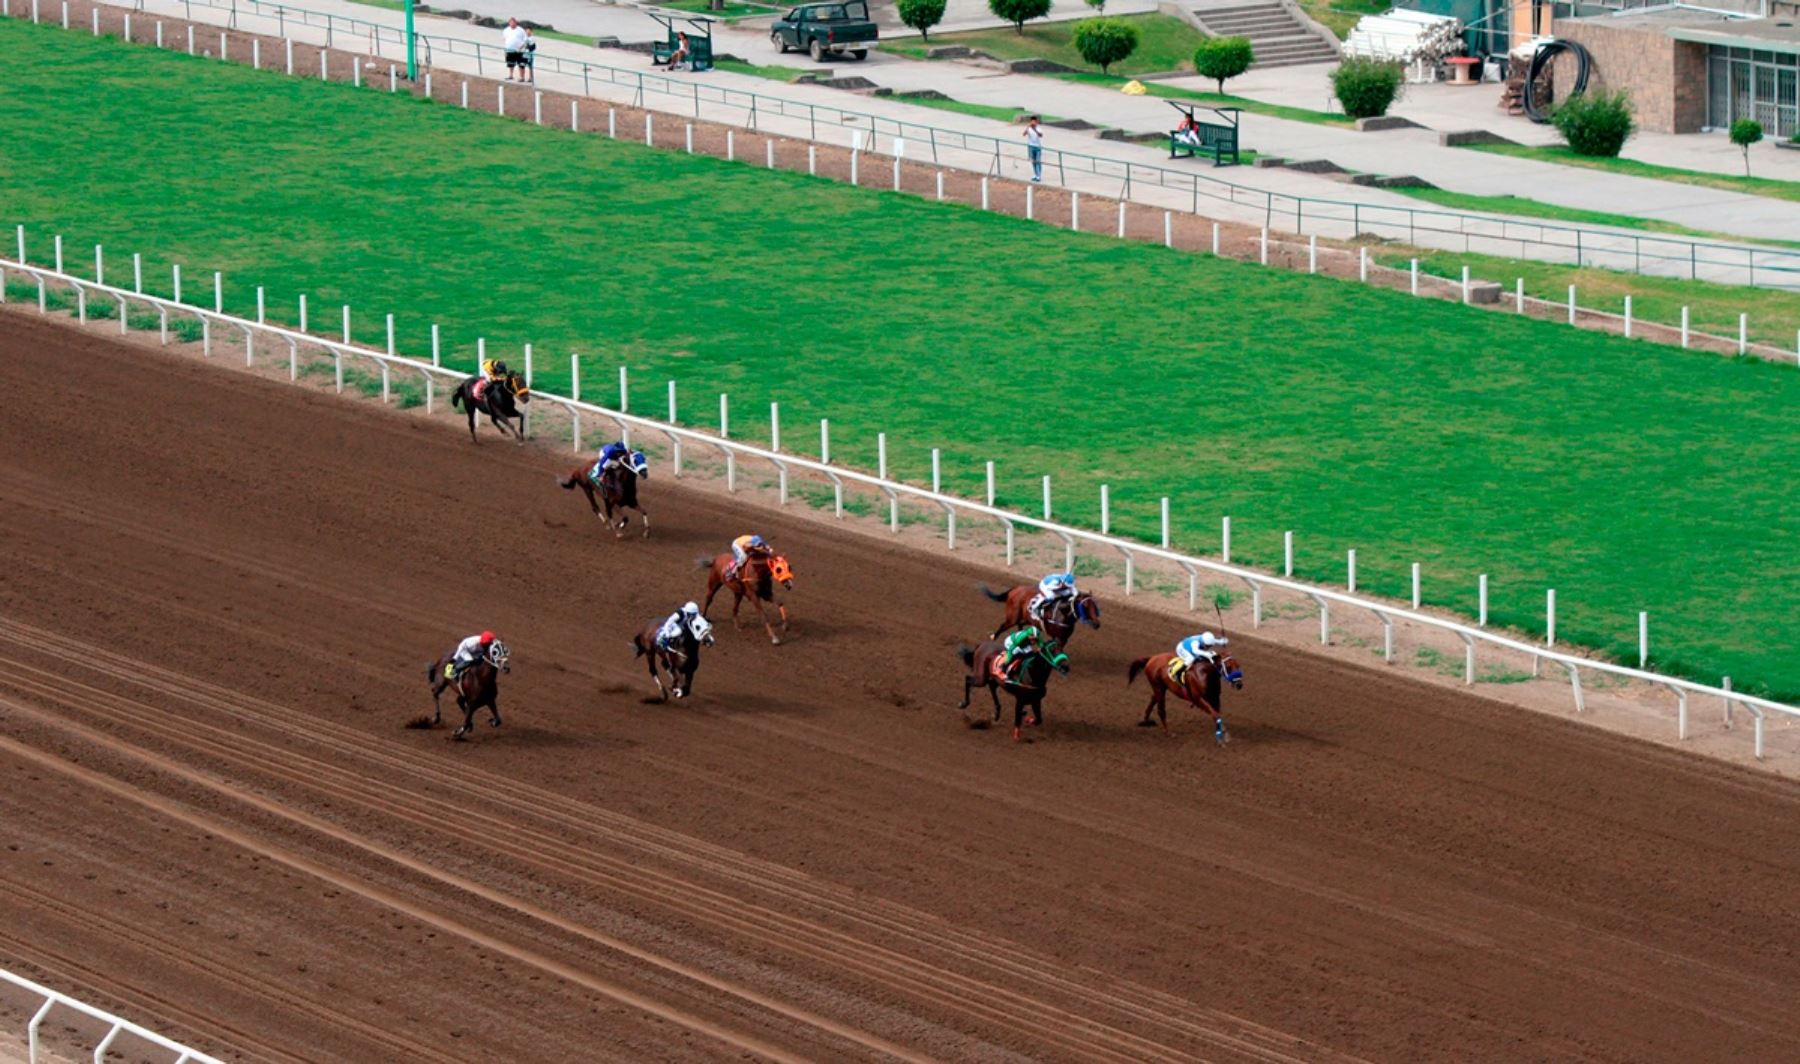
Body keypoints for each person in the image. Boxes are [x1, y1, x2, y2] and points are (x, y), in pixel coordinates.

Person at [1023, 116, 1044, 183]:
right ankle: (1035, 174)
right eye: (1032, 121)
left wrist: (1034, 129)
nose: (1033, 123)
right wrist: (1028, 127)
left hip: (1037, 147)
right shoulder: (1029, 128)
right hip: (1031, 146)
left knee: (1038, 161)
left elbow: (1040, 135)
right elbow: (1024, 134)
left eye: (1035, 121)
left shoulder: (1038, 128)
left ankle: (1039, 175)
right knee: (1033, 161)